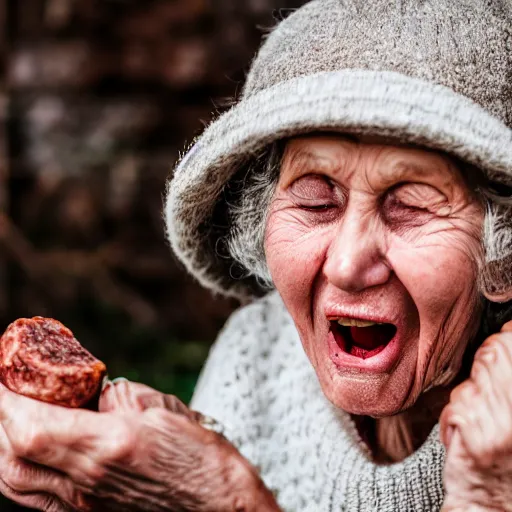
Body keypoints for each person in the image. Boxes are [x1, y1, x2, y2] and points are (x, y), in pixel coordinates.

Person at [0, 0, 512, 510]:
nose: (347, 265)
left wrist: (486, 498)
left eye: (411, 207)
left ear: (502, 255)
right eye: (315, 201)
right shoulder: (256, 359)